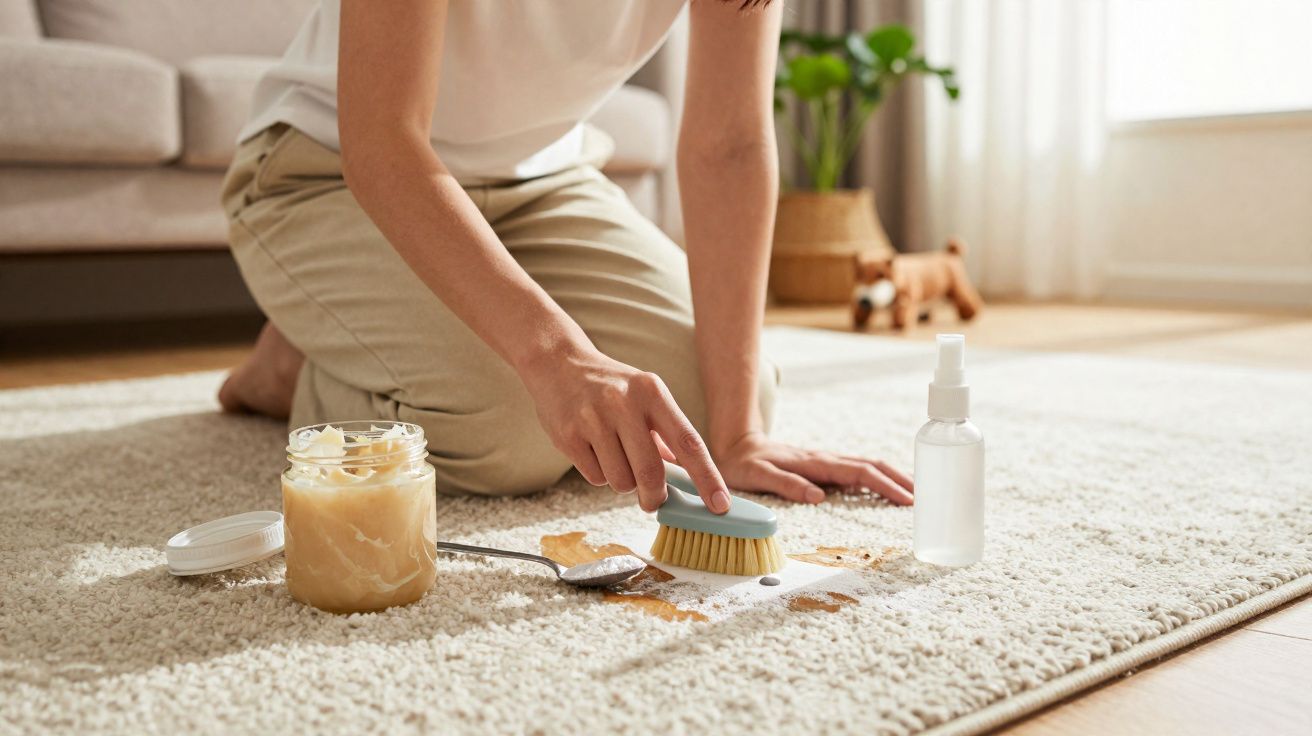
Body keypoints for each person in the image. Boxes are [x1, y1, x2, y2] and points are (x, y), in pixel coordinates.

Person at [218, 0, 914, 514]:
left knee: (715, 399)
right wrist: (553, 353)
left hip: (540, 181)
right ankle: (293, 365)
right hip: (326, 172)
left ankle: (390, 333)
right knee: (507, 431)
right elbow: (382, 140)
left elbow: (729, 143)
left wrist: (739, 433)